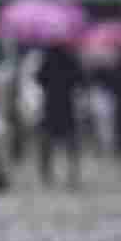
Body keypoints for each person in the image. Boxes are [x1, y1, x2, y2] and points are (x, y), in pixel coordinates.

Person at [35, 42, 86, 189]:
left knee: (47, 142)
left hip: (50, 105)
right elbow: (80, 80)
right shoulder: (71, 59)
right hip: (66, 106)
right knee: (71, 142)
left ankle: (46, 173)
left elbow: (39, 79)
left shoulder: (46, 59)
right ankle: (72, 173)